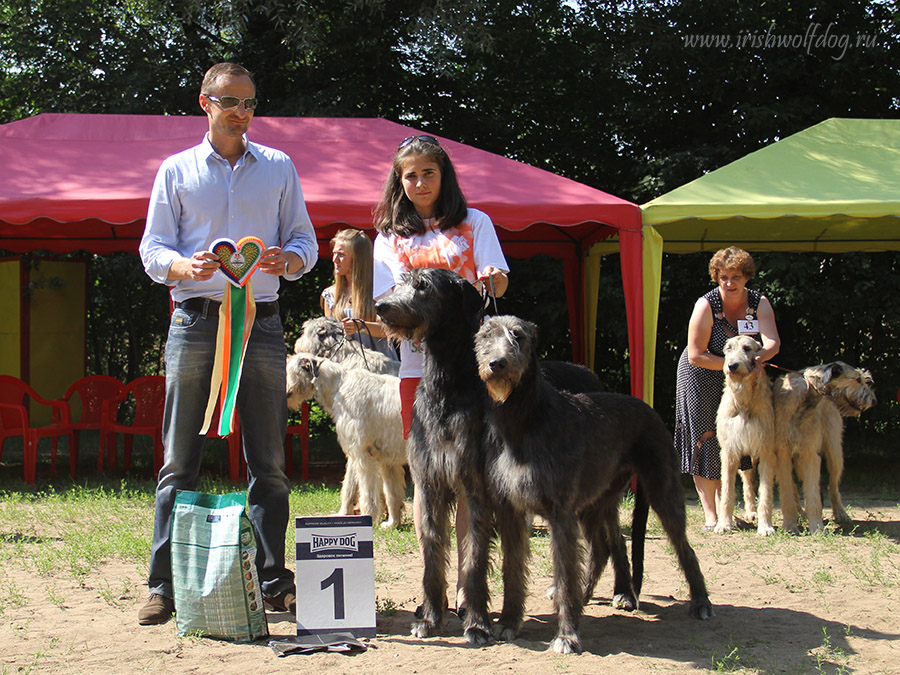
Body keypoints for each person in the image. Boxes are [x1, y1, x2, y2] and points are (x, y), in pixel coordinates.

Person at [137, 62, 318, 625]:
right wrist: (180, 266)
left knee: (269, 461)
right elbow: (152, 248)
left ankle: (272, 580)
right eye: (230, 101)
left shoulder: (281, 168)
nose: (241, 112)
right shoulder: (176, 170)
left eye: (250, 102)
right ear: (205, 104)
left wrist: (285, 260)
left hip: (261, 323)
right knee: (178, 462)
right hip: (194, 321)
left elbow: (305, 241)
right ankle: (163, 586)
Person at [372, 134, 509, 611]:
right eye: (409, 174)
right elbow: (392, 300)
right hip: (417, 370)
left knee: (475, 480)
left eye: (428, 172)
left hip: (476, 369)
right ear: (399, 181)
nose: (419, 182)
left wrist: (492, 276)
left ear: (443, 175)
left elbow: (498, 276)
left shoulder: (475, 223)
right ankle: (432, 587)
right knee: (427, 479)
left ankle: (468, 588)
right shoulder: (389, 236)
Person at [674, 246, 781, 531]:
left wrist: (756, 359)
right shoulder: (706, 305)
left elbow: (772, 342)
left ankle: (728, 511)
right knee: (706, 437)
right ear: (716, 277)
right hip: (701, 370)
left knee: (738, 444)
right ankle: (712, 514)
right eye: (723, 277)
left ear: (746, 277)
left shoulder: (759, 302)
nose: (729, 283)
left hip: (745, 376)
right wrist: (733, 364)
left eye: (735, 276)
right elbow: (696, 353)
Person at [320, 228, 397, 359]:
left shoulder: (380, 291)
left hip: (381, 366)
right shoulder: (330, 295)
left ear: (358, 258)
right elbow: (331, 339)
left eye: (341, 255)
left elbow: (390, 331)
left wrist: (361, 326)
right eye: (334, 253)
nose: (335, 259)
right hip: (346, 369)